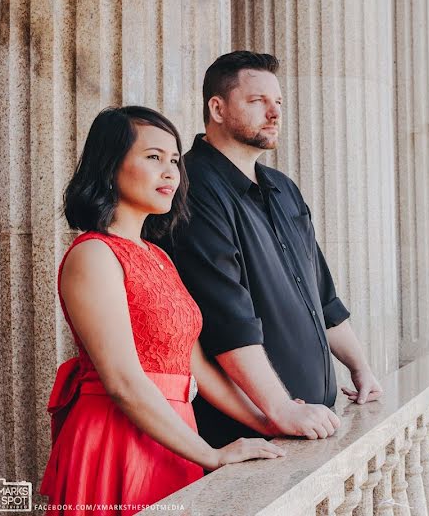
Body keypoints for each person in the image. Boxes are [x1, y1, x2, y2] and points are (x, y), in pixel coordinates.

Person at [41, 107, 284, 516]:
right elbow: (122, 381)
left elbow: (197, 369)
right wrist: (213, 455)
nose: (171, 171)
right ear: (109, 166)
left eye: (174, 160)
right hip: (117, 436)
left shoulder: (157, 256)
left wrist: (270, 420)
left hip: (174, 435)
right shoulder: (94, 255)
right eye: (153, 157)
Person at [167, 51, 382, 449]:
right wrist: (280, 408)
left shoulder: (283, 188)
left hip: (309, 422)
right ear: (217, 107)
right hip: (249, 434)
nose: (274, 113)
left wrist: (360, 366)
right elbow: (226, 318)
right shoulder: (192, 187)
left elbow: (322, 296)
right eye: (257, 101)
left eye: (278, 102)